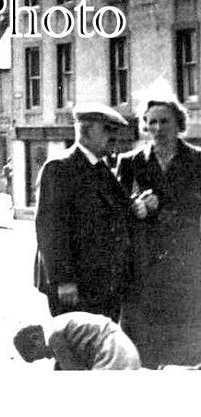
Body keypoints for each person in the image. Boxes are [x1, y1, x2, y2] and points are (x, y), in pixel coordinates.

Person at [116, 98, 201, 367]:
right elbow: (117, 213)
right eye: (151, 121)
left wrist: (165, 211)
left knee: (185, 343)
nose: (158, 127)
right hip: (144, 268)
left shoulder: (197, 160)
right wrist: (135, 206)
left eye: (165, 121)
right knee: (144, 345)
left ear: (179, 125)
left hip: (186, 266)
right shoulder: (130, 162)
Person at [34, 103, 134, 322]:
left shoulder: (101, 169)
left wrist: (138, 204)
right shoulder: (59, 168)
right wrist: (64, 280)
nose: (114, 137)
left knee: (97, 350)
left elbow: (117, 211)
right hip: (75, 286)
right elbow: (50, 229)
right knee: (75, 348)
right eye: (108, 129)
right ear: (87, 131)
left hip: (102, 283)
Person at [13, 312, 141, 370]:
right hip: (119, 349)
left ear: (35, 338)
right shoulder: (57, 325)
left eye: (41, 356)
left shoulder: (53, 337)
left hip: (112, 353)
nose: (48, 357)